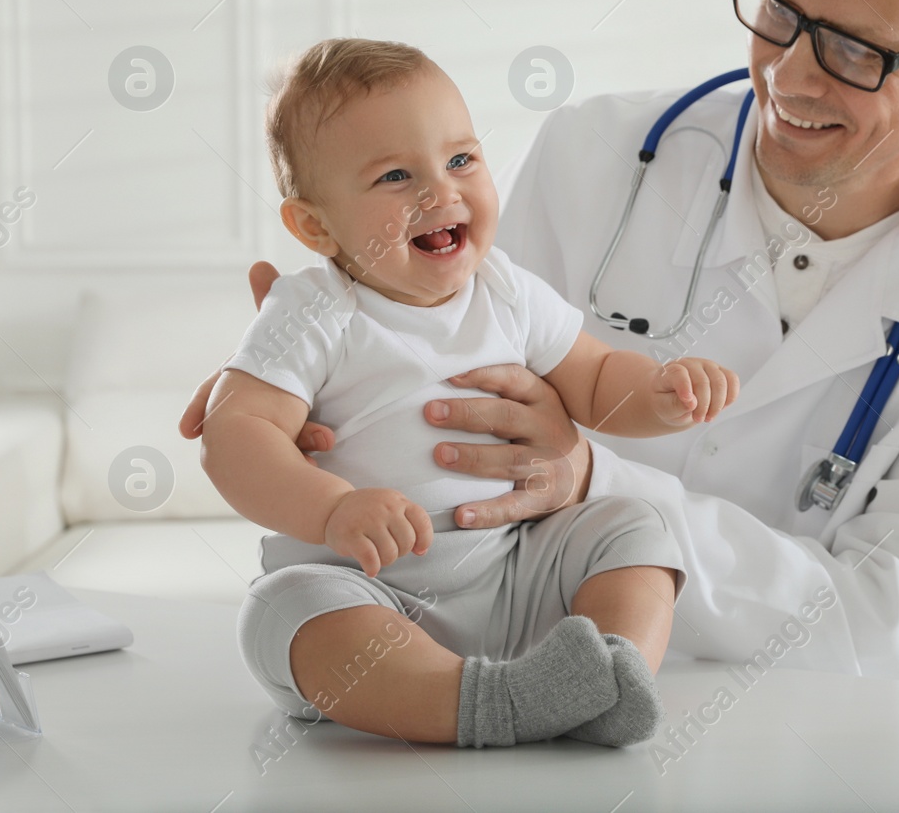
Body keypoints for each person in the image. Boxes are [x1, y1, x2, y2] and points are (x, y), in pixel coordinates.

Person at [184, 0, 899, 690]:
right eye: (780, 12)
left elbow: (891, 622)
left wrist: (592, 476)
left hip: (838, 733)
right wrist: (315, 360)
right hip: (528, 692)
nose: (787, 75)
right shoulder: (598, 153)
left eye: (856, 50)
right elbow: (439, 376)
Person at [200, 38, 740, 747]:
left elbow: (597, 379)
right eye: (396, 175)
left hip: (516, 575)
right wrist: (334, 510)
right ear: (316, 225)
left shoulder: (505, 290)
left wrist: (660, 393)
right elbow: (233, 437)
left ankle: (609, 670)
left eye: (460, 159)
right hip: (367, 591)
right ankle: (491, 704)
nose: (440, 191)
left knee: (635, 528)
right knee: (285, 613)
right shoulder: (313, 310)